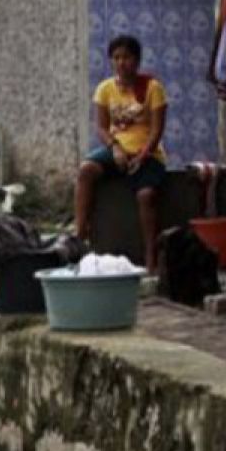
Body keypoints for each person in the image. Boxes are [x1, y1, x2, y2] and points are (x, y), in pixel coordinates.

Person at [75, 34, 168, 273]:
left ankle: (150, 257)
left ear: (136, 60)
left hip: (148, 154)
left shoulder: (152, 88)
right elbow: (102, 128)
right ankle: (79, 237)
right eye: (116, 58)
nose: (121, 63)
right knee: (86, 170)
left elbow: (157, 131)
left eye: (126, 57)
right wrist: (114, 147)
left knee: (146, 196)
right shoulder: (104, 89)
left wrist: (142, 156)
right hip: (117, 151)